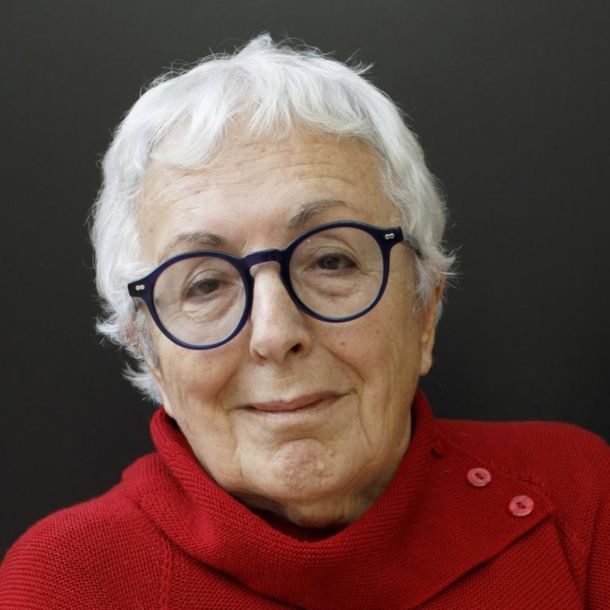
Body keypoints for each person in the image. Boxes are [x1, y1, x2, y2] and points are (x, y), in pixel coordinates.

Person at [1, 34, 608, 610]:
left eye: (330, 260)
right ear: (150, 352)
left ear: (424, 309)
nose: (274, 334)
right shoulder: (62, 585)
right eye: (206, 284)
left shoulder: (578, 499)